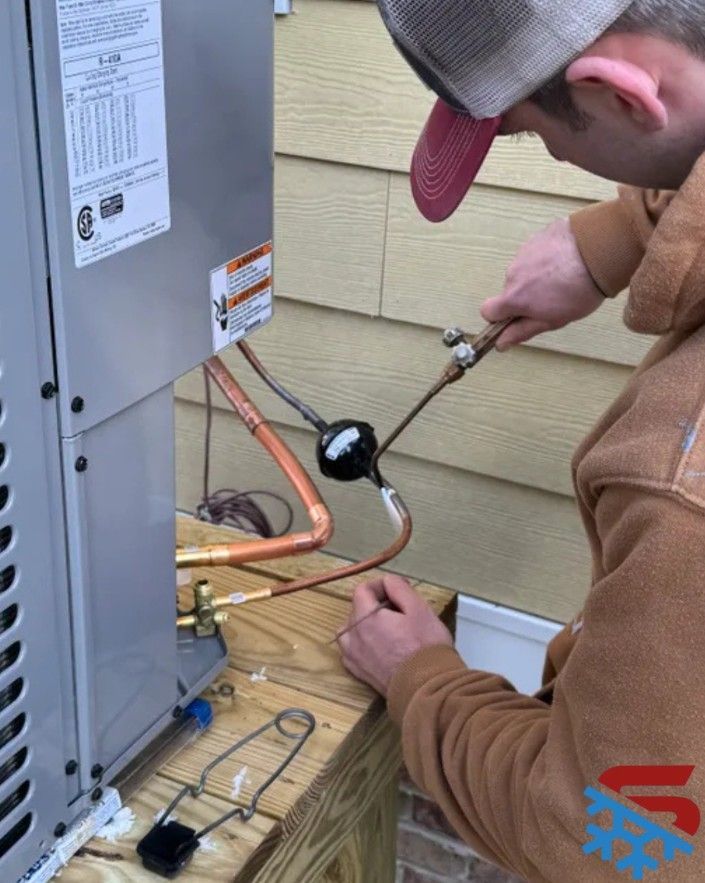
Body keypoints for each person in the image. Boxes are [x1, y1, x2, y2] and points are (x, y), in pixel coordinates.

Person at [337, 1, 705, 880]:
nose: (555, 158)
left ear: (618, 92)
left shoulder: (677, 488)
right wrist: (610, 243)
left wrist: (424, 679)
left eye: (531, 133)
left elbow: (624, 850)